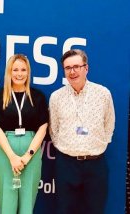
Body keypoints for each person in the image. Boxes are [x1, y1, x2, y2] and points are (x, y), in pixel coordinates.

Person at [49, 49, 115, 214]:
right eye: (68, 68)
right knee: (64, 209)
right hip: (66, 164)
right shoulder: (56, 97)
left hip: (95, 164)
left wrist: (96, 144)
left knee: (95, 210)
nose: (72, 71)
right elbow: (53, 129)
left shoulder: (103, 94)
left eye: (77, 66)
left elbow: (109, 124)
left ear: (86, 68)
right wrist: (67, 145)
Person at [0, 54, 48, 214]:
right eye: (15, 69)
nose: (19, 73)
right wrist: (12, 157)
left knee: (27, 202)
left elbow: (43, 128)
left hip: (31, 151)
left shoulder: (38, 97)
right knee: (7, 203)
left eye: (23, 70)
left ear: (28, 72)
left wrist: (27, 156)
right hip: (5, 151)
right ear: (9, 72)